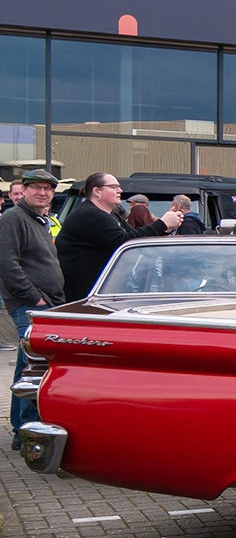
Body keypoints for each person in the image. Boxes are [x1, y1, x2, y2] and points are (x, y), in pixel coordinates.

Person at [0, 169, 65, 450]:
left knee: (29, 365)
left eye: (48, 188)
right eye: (36, 187)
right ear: (23, 191)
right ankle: (25, 432)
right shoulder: (13, 219)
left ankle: (23, 429)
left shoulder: (41, 219)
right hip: (29, 305)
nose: (43, 192)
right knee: (33, 367)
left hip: (48, 302)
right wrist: (34, 298)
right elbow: (7, 263)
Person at [56, 172, 183, 300]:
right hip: (84, 293)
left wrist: (167, 227)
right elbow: (123, 242)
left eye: (118, 186)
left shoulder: (111, 214)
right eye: (114, 187)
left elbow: (135, 236)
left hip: (102, 290)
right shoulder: (89, 214)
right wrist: (162, 223)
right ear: (97, 191)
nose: (120, 190)